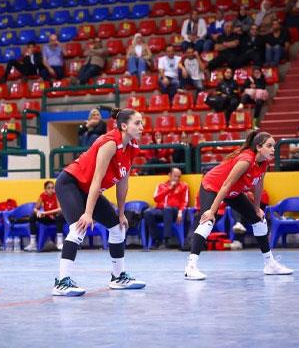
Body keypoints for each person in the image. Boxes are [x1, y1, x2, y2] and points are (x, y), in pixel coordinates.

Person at [53, 108, 146, 296]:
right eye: (137, 123)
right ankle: (62, 282)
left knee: (118, 228)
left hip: (88, 190)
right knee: (78, 228)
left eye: (141, 123)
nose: (141, 127)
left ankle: (118, 277)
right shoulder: (110, 143)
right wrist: (88, 214)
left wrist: (121, 214)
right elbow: (97, 180)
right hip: (71, 184)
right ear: (124, 126)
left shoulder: (132, 147)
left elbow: (123, 183)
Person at [184, 130, 293, 280]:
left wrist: (256, 208)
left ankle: (270, 265)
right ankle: (190, 268)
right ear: (258, 147)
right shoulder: (246, 160)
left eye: (274, 146)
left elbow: (259, 185)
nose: (273, 149)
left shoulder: (264, 162)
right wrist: (212, 211)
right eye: (269, 146)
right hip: (213, 186)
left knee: (259, 220)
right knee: (207, 221)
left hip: (232, 191)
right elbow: (226, 185)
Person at [143, 168, 189, 249]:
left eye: (179, 177)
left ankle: (167, 239)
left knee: (167, 210)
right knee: (147, 213)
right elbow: (156, 199)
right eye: (175, 176)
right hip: (161, 210)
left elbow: (185, 201)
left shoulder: (184, 186)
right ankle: (156, 240)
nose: (177, 179)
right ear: (169, 175)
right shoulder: (161, 185)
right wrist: (169, 189)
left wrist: (180, 212)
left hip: (174, 211)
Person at [24, 181, 64, 251]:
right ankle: (33, 243)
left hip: (56, 217)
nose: (51, 189)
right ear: (45, 190)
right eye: (49, 188)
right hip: (47, 218)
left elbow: (60, 209)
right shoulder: (42, 196)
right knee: (32, 217)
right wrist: (38, 212)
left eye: (52, 187)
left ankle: (59, 243)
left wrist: (46, 213)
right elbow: (35, 209)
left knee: (59, 216)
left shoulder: (56, 195)